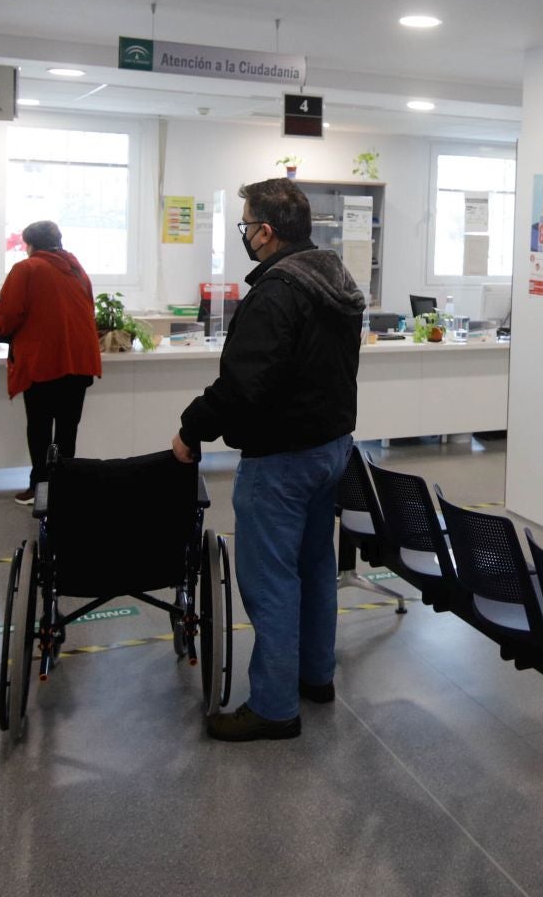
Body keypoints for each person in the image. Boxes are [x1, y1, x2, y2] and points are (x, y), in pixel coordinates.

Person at [171, 178, 365, 742]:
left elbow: (242, 385)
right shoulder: (337, 282)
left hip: (280, 459)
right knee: (313, 569)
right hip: (331, 449)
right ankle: (315, 676)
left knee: (270, 581)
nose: (245, 235)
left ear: (265, 231)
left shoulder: (278, 292)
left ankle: (276, 707)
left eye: (247, 224)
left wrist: (190, 431)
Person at [0, 221, 101, 506]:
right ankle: (64, 487)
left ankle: (40, 487)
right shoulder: (77, 268)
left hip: (43, 362)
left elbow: (9, 313)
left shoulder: (27, 268)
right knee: (67, 429)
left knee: (39, 428)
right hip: (79, 362)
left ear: (30, 244)